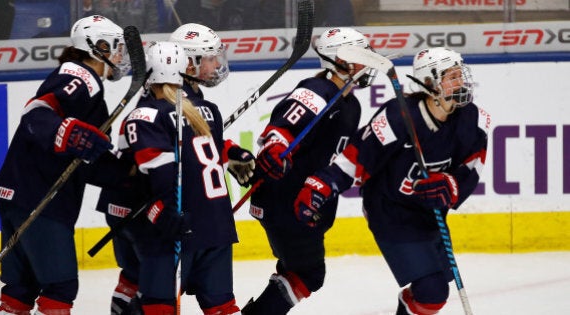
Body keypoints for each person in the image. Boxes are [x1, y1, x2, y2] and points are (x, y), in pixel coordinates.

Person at [293, 47, 490, 314]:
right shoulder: (398, 117)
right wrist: (321, 186)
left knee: (435, 291)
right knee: (432, 291)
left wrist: (451, 185)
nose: (461, 83)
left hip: (429, 214)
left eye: (460, 75)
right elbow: (356, 157)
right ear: (431, 82)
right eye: (452, 77)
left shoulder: (472, 119)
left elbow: (472, 166)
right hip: (390, 211)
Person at [95, 22, 252, 315]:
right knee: (212, 301)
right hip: (158, 213)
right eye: (210, 57)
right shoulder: (199, 108)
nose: (217, 64)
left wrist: (228, 152)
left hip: (168, 213)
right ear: (186, 64)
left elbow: (168, 165)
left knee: (145, 289)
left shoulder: (154, 109)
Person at [0, 15, 135, 314]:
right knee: (60, 286)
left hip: (18, 192)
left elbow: (87, 161)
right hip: (40, 197)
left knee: (21, 287)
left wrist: (129, 174)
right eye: (117, 47)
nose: (121, 55)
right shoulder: (80, 78)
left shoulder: (86, 84)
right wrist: (70, 133)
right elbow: (36, 113)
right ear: (99, 47)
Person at [241, 27, 377, 314]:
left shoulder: (350, 104)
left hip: (303, 204)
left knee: (300, 272)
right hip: (285, 200)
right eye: (360, 53)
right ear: (340, 60)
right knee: (307, 273)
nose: (369, 59)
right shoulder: (317, 90)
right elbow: (279, 131)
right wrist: (275, 149)